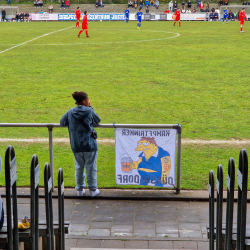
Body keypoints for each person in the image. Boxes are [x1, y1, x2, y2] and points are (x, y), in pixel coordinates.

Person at [60, 91, 101, 197]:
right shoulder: (89, 111)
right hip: (90, 145)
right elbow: (97, 120)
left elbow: (62, 122)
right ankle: (92, 190)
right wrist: (91, 107)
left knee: (79, 167)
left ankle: (79, 190)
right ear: (84, 101)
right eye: (88, 99)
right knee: (91, 168)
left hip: (76, 145)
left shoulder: (70, 112)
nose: (89, 101)